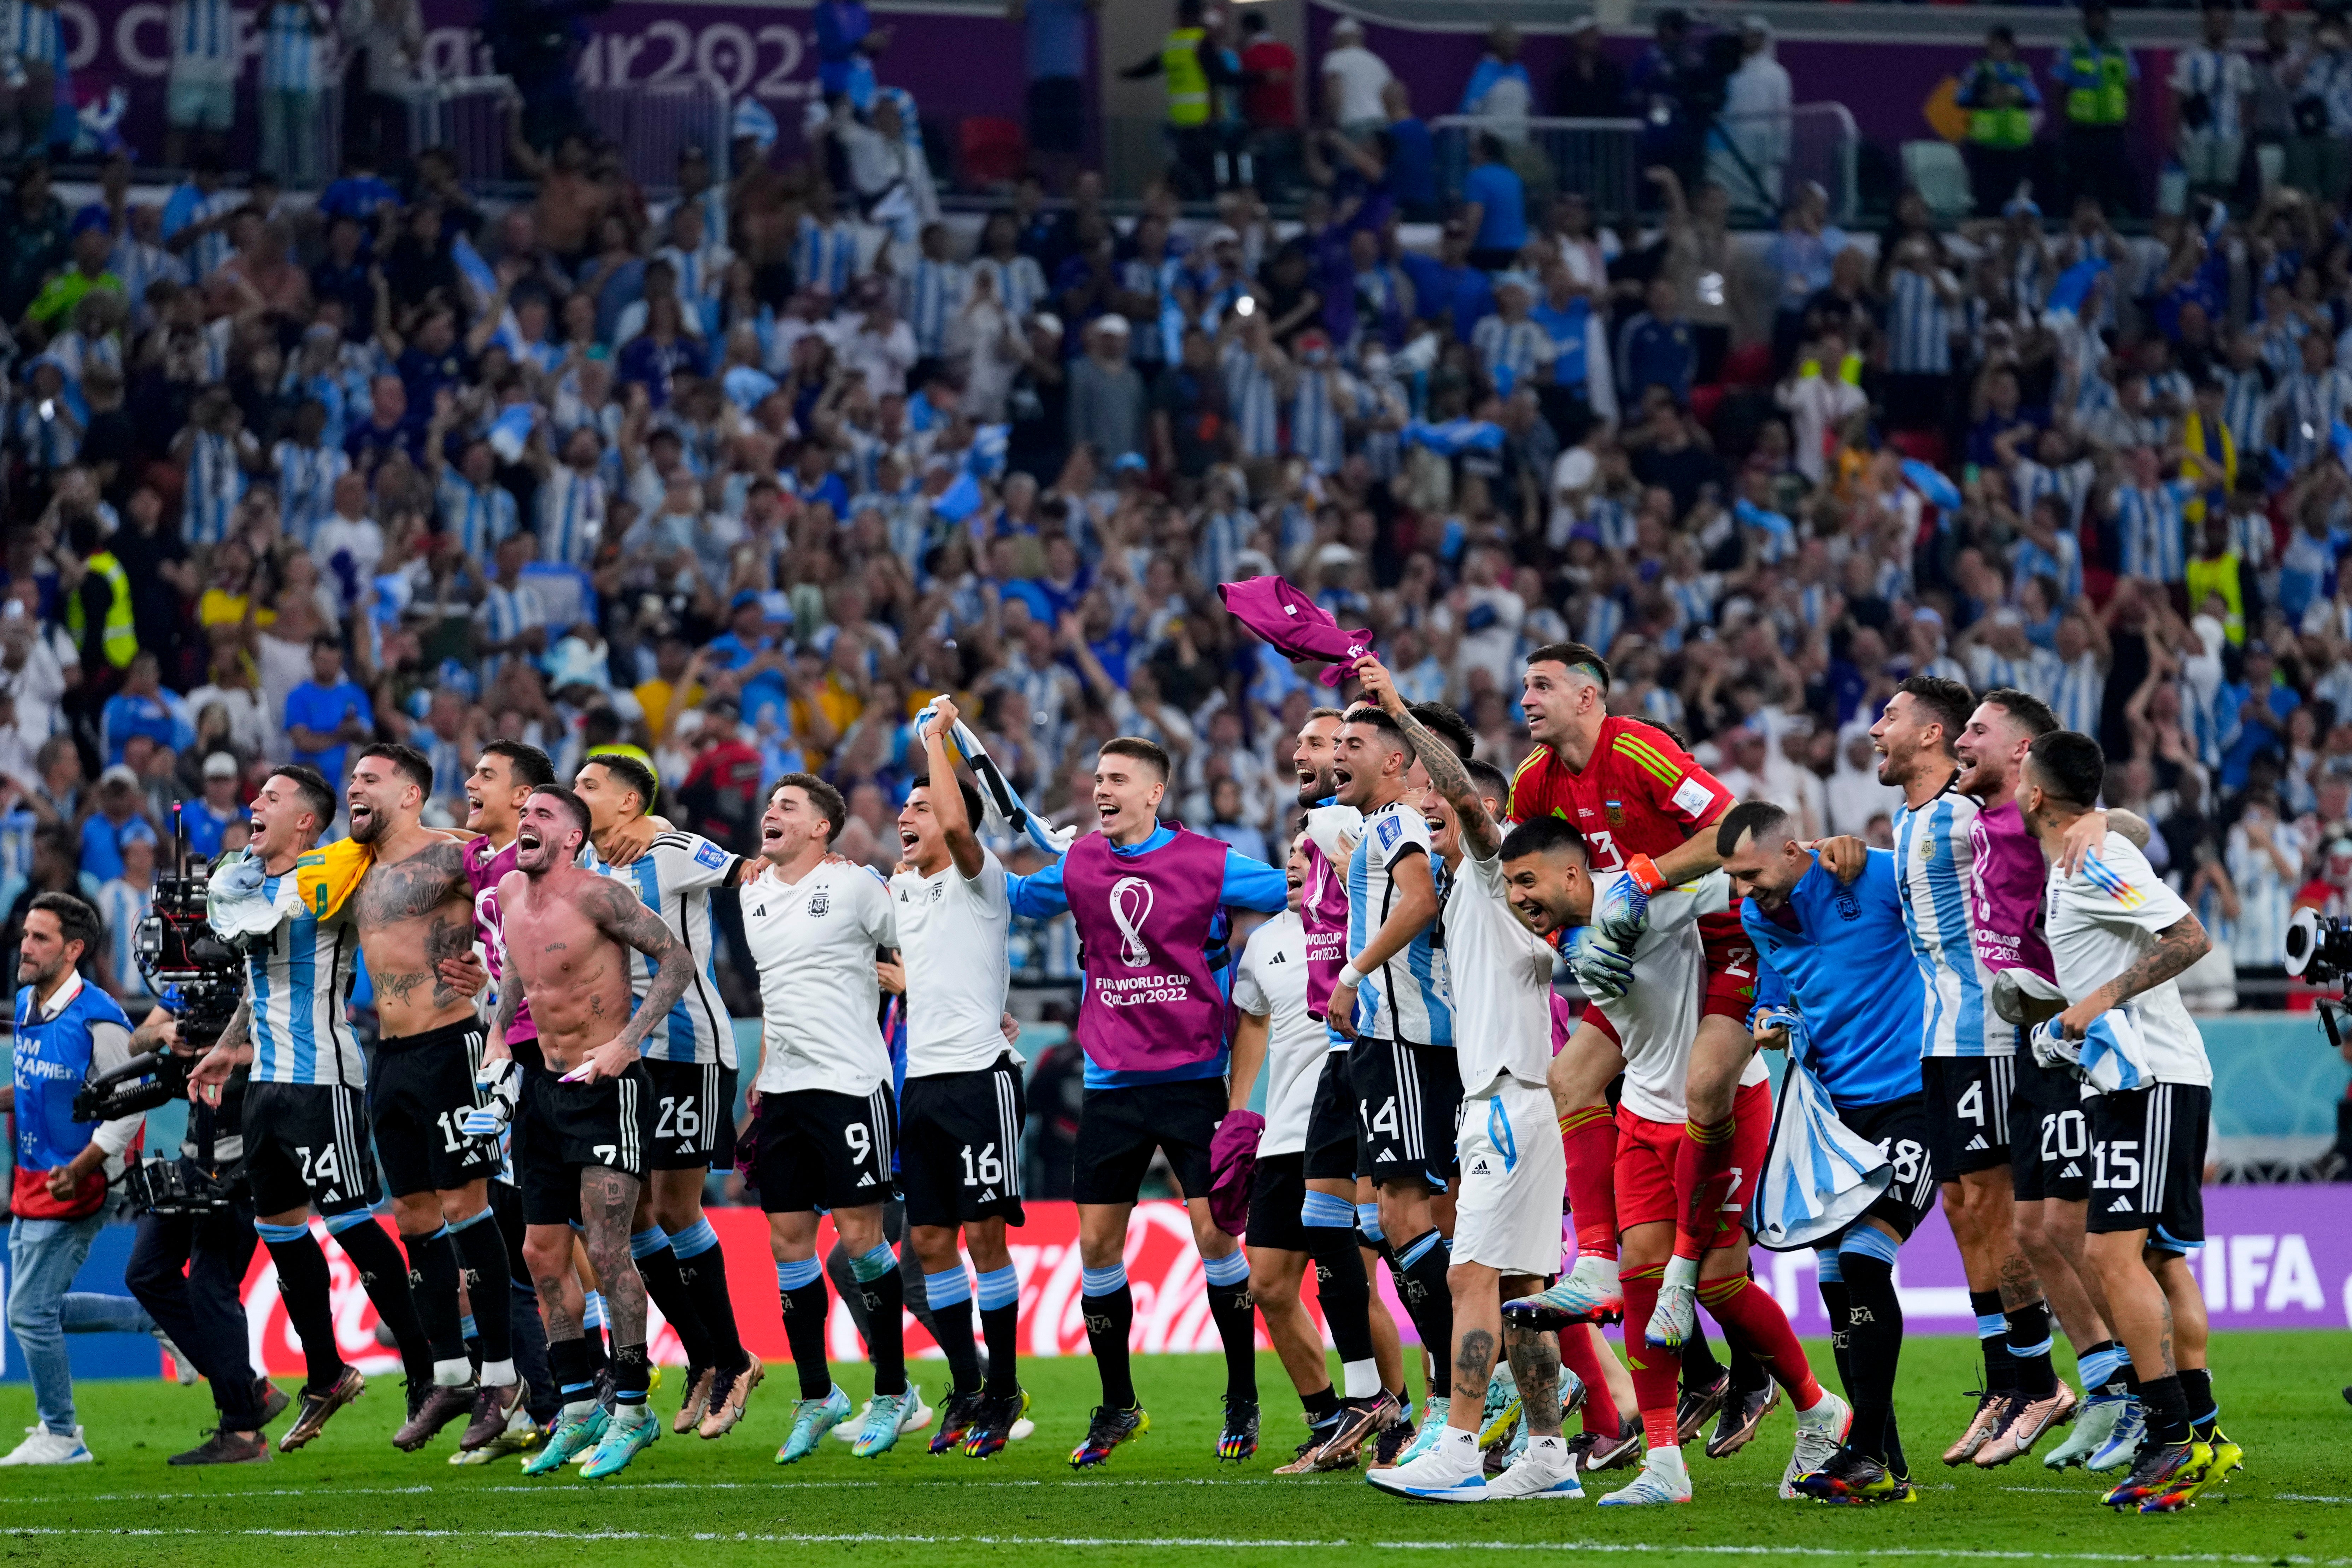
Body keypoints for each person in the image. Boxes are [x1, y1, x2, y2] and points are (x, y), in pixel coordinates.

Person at [1498, 814, 1848, 1507]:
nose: (1518, 896)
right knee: (1639, 1282)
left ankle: (1817, 1409)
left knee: (1717, 1285)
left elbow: (1744, 863)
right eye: (1511, 885)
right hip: (1639, 1111)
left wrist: (1823, 856)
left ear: (1576, 874)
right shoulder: (1558, 930)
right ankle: (1663, 1462)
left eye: (1528, 880)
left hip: (1721, 1108)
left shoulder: (1646, 901)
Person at [1505, 642, 1762, 1447]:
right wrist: (1566, 932)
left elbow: (1731, 827)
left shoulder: (1634, 746)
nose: (1526, 697)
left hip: (1722, 947)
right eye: (1522, 685)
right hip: (1635, 966)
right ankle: (1596, 1257)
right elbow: (1534, 878)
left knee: (1700, 1094)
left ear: (1588, 697)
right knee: (1570, 1075)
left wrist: (1641, 880)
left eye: (1542, 685)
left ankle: (1741, 1342)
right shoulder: (1530, 783)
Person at [1007, 738, 1288, 1466]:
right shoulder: (1078, 864)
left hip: (1195, 1076)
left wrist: (1231, 952)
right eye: (1097, 777)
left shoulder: (1209, 860)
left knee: (1215, 1237)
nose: (1102, 788)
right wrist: (954, 849)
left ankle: (1243, 1395)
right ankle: (1117, 1405)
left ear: (1154, 793)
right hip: (1110, 1083)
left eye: (1117, 779)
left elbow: (1293, 891)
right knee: (1098, 1246)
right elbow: (1009, 898)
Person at [1356, 662, 1582, 1505]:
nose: (1423, 812)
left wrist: (1398, 712)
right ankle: (1550, 1453)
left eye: (1431, 804)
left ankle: (1455, 1441)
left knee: (1469, 1274)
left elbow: (1457, 787)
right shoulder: (1484, 897)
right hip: (1517, 1103)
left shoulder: (1493, 872)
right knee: (1522, 1290)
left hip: (1506, 1101)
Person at [190, 766, 439, 1454]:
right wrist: (225, 1046)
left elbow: (398, 932)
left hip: (323, 1079)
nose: (253, 805)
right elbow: (257, 984)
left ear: (306, 821)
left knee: (355, 1224)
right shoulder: (248, 886)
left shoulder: (335, 881)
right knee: (279, 1230)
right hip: (265, 1084)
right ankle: (328, 1373)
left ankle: (427, 1372)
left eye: (270, 798)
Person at [2020, 731, 2238, 1512]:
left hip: (2153, 1079)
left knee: (2113, 1252)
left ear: (2038, 793)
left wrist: (2093, 1004)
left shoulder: (2096, 856)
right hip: (2123, 1079)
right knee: (2140, 1254)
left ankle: (2172, 1434)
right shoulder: (2080, 849)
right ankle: (2188, 1430)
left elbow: (2192, 937)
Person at [1862, 678, 2068, 1467]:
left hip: (1990, 1029)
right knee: (1958, 1204)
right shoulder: (1911, 816)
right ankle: (2003, 1380)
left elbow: (2046, 829)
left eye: (1892, 716)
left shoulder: (1972, 807)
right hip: (1939, 1036)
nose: (1877, 728)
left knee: (1995, 1202)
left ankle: (2043, 1378)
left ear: (1933, 733)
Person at [1718, 801, 1931, 1505]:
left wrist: (1871, 852)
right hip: (1837, 1120)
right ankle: (1886, 1460)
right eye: (1734, 880)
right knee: (1837, 1278)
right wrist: (1769, 1018)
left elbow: (1944, 884)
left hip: (1917, 1096)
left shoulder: (1866, 877)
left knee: (1868, 1256)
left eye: (1751, 874)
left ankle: (1864, 1449)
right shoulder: (1758, 917)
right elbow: (1776, 991)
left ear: (1792, 847)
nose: (1745, 894)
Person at [494, 783, 701, 1480]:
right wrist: (498, 1040)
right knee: (540, 1251)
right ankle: (579, 1407)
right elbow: (517, 980)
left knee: (607, 1244)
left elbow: (677, 960)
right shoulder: (510, 900)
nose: (526, 822)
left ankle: (635, 1407)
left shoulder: (601, 896)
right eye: (524, 815)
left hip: (607, 1087)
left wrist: (628, 1043)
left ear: (573, 838)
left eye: (543, 816)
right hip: (543, 1092)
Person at [1954, 692, 2130, 1469]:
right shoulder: (1972, 824)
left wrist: (2106, 820)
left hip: (2074, 1044)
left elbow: (2129, 830)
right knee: (2030, 1231)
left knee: (2086, 1233)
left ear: (2024, 755)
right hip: (2024, 1045)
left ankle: (2154, 1401)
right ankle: (2102, 1384)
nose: (1965, 739)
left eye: (1977, 731)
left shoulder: (2045, 823)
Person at [566, 753, 761, 1438]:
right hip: (627, 1060)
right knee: (633, 1212)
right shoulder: (584, 862)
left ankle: (733, 1359)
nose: (577, 794)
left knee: (678, 1208)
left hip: (691, 1052)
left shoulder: (677, 851)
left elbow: (751, 873)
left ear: (629, 799)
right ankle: (707, 1353)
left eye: (590, 785)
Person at [344, 744, 522, 1451]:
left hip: (453, 1048)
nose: (353, 787)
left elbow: (520, 884)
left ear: (410, 793)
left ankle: (503, 1377)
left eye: (368, 778)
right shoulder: (352, 871)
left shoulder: (457, 855)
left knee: (464, 1205)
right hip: (388, 1055)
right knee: (412, 1213)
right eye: (351, 777)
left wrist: (492, 964)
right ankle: (449, 1374)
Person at [737, 774, 913, 1462]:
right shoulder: (751, 890)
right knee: (787, 1244)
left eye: (789, 806)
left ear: (821, 828)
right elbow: (780, 995)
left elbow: (919, 940)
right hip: (781, 1089)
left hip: (849, 1084)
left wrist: (936, 992)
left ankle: (894, 1390)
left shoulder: (854, 884)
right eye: (770, 804)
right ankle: (818, 1394)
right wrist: (759, 1074)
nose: (770, 812)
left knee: (862, 1236)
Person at [891, 701, 1032, 1458]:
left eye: (921, 806)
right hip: (923, 1084)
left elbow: (957, 825)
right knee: (931, 1238)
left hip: (982, 1078)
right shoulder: (901, 888)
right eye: (903, 808)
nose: (907, 817)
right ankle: (968, 1387)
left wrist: (934, 739)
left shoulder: (983, 879)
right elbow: (914, 966)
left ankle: (1005, 1388)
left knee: (984, 1238)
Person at [1322, 701, 1457, 1463]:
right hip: (1395, 1040)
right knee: (1407, 1218)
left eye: (1354, 743)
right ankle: (1467, 1386)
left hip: (1403, 1038)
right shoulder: (1382, 828)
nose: (1339, 752)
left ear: (1398, 762)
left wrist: (1352, 973)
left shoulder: (1396, 822)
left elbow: (1419, 899)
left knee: (1405, 1217)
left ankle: (1458, 1395)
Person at [1280, 706, 1407, 1472]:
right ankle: (1368, 1401)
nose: (1305, 752)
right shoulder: (1314, 844)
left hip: (1390, 1043)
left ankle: (1494, 1395)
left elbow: (1400, 880)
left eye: (1327, 743)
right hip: (1340, 1052)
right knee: (1327, 1226)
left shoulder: (1356, 829)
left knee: (1409, 1235)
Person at [0, 893, 158, 1466]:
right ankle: (159, 1317)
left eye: (40, 938)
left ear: (73, 950)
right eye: (26, 934)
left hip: (79, 1181)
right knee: (39, 1307)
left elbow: (129, 1105)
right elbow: (44, 1086)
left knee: (27, 1311)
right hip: (33, 1177)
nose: (26, 945)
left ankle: (62, 1435)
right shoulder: (26, 1003)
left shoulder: (100, 1017)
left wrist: (84, 1166)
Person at [122, 1002, 294, 1466]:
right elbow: (135, 1040)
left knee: (209, 1284)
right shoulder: (190, 978)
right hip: (192, 1156)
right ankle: (247, 1392)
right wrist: (165, 1034)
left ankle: (241, 1428)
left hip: (244, 1160)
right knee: (147, 1271)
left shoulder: (259, 970)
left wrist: (226, 1048)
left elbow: (287, 1050)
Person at [2052, 1, 2139, 218]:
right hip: (2081, 130)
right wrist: (2066, 119)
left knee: (2110, 187)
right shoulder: (2072, 48)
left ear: (2108, 20)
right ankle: (2074, 236)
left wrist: (2129, 117)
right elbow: (2059, 88)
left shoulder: (2120, 49)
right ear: (2084, 19)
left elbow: (2132, 85)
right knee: (2077, 187)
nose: (2096, 20)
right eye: (2091, 15)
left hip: (2111, 130)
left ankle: (2107, 234)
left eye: (2100, 15)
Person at [1956, 26, 2041, 217]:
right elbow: (1961, 98)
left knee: (2013, 202)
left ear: (2012, 48)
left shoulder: (2020, 71)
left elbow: (2035, 99)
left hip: (2016, 147)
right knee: (1985, 200)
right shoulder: (1978, 70)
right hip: (1985, 146)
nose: (2000, 50)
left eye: (2005, 46)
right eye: (1996, 45)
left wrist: (2014, 95)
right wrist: (1986, 97)